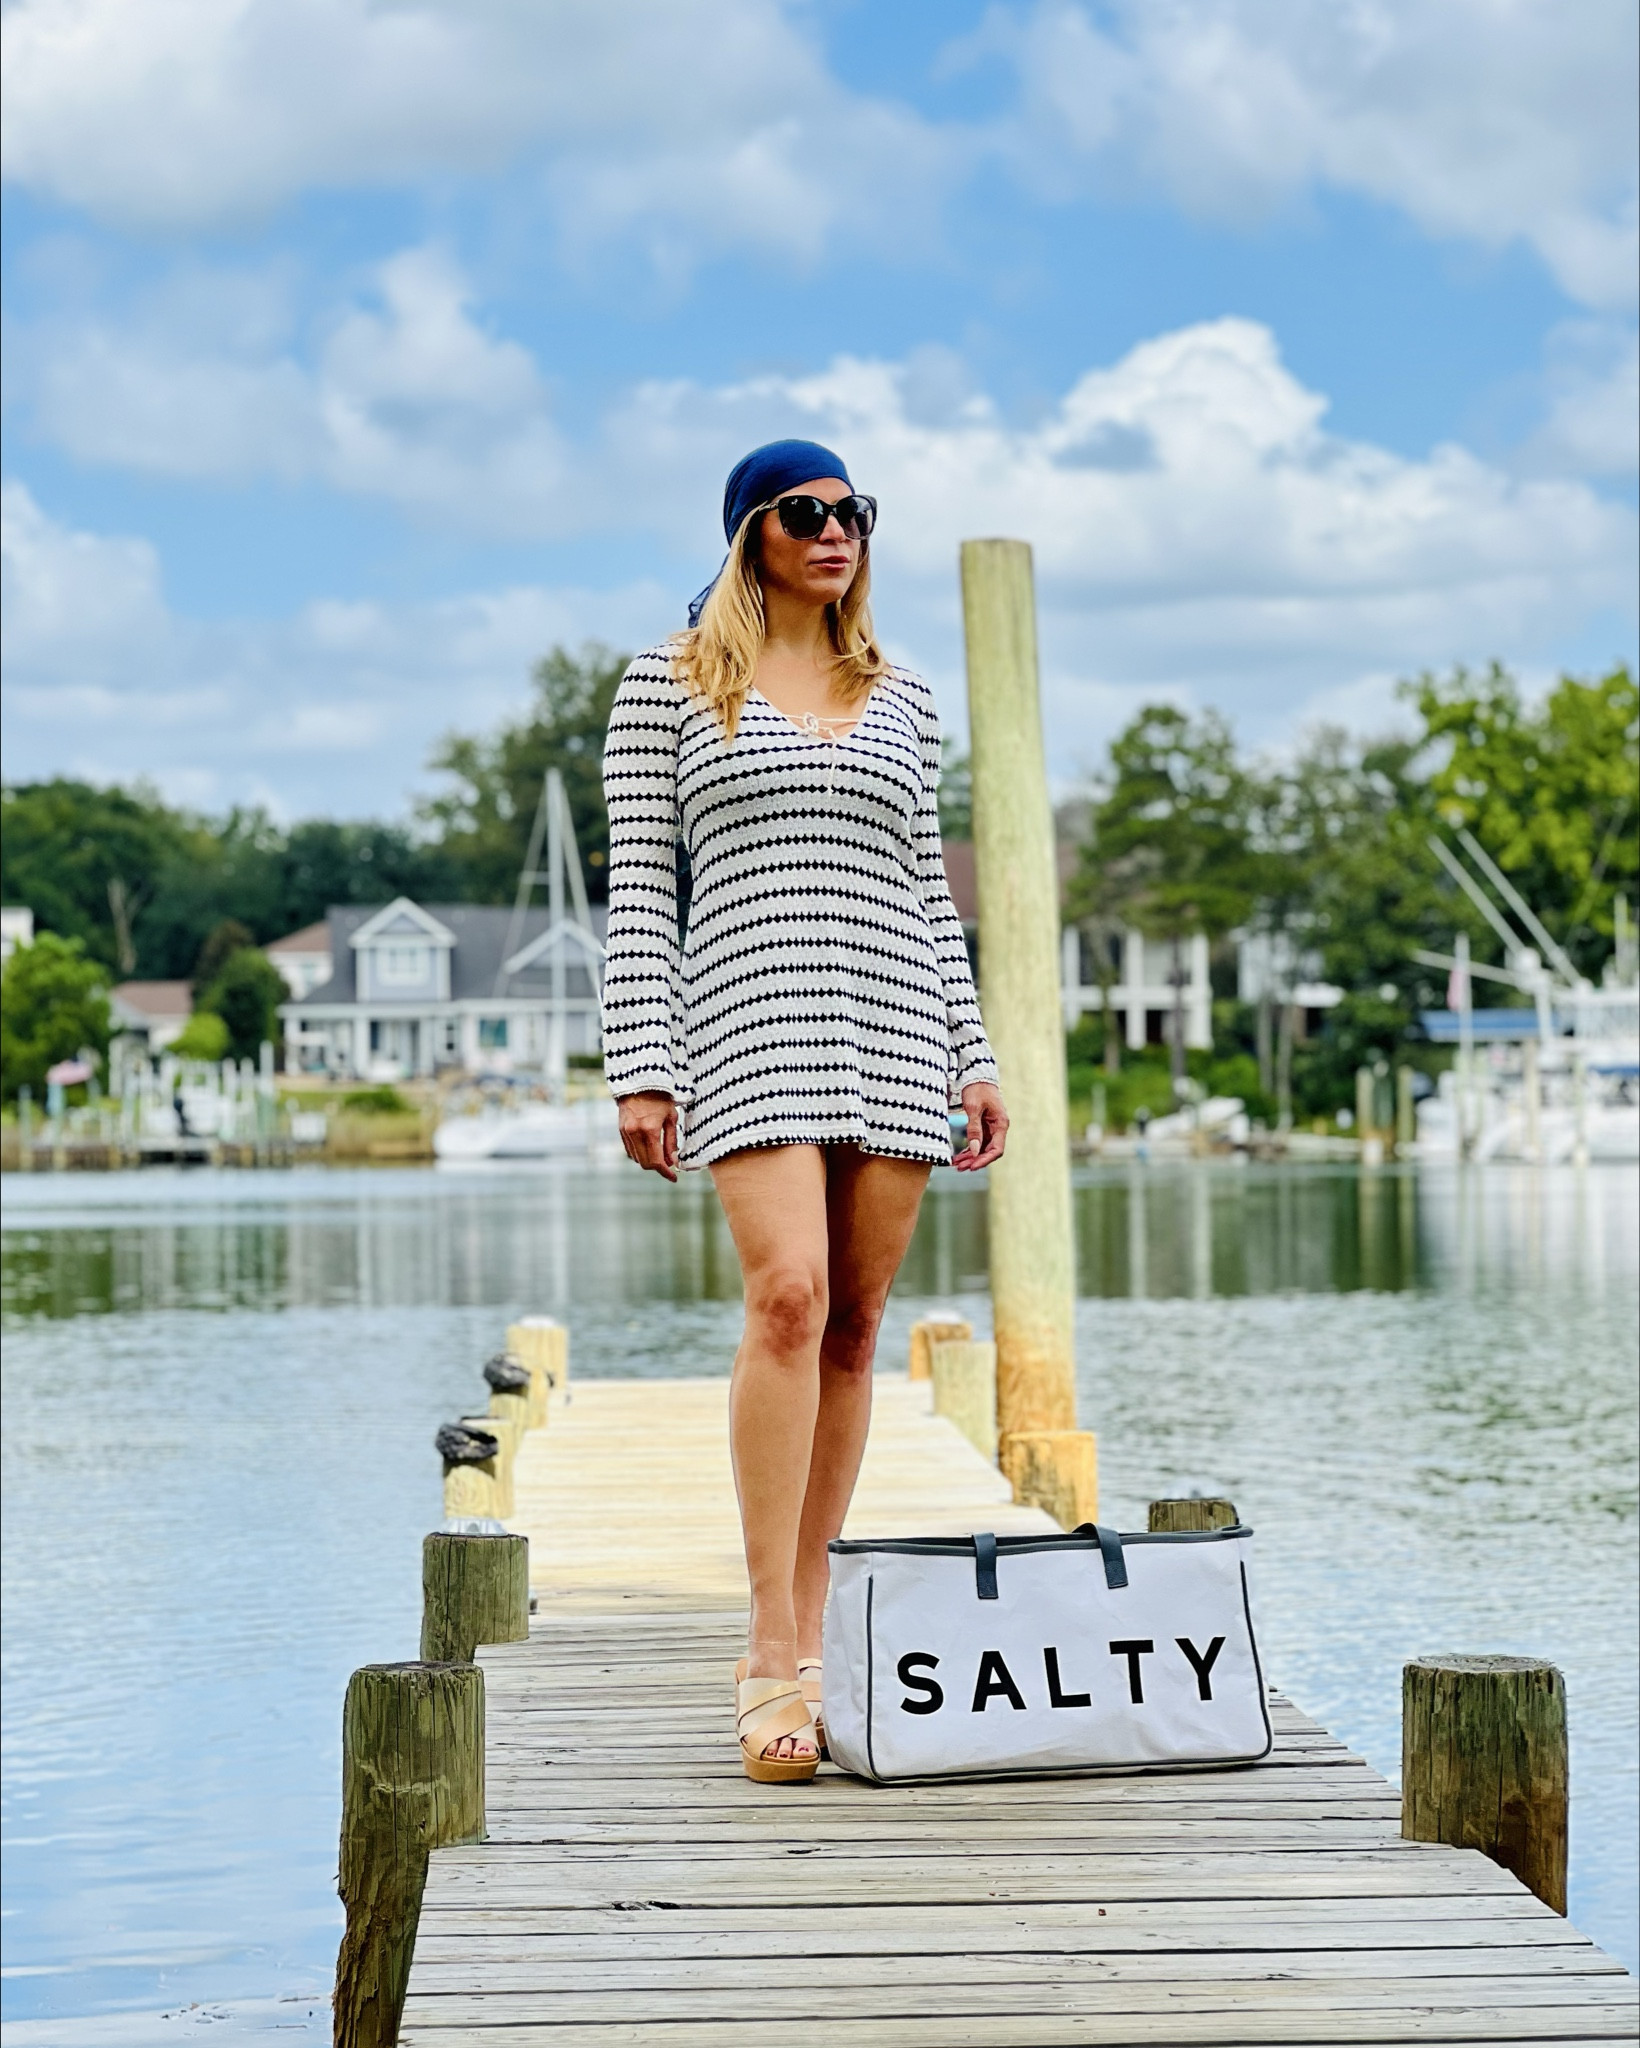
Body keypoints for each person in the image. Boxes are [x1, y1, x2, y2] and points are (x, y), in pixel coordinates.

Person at [600, 439, 1008, 1782]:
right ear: (749, 535)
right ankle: (768, 1641)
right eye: (805, 512)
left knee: (858, 1329)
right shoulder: (668, 685)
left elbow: (931, 902)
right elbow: (641, 894)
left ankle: (824, 1622)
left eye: (853, 513)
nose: (835, 531)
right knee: (788, 1298)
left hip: (895, 1023)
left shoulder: (905, 697)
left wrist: (975, 1053)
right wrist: (641, 1061)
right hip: (747, 1020)